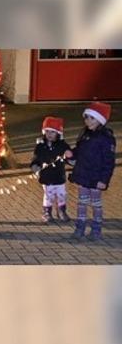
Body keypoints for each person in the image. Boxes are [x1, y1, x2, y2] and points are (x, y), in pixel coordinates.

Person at [67, 102, 116, 241]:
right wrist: (71, 155)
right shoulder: (85, 134)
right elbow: (79, 151)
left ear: (100, 120)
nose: (87, 120)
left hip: (96, 177)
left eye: (91, 118)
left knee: (96, 204)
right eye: (86, 117)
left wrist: (104, 180)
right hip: (83, 175)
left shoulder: (106, 138)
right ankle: (80, 228)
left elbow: (109, 162)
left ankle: (96, 230)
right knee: (82, 203)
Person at [30, 117, 71, 223]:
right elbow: (36, 158)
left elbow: (68, 154)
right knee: (48, 195)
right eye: (47, 131)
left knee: (61, 194)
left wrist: (69, 155)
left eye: (52, 132)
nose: (49, 134)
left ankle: (62, 211)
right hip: (46, 176)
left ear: (58, 133)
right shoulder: (40, 146)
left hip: (59, 175)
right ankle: (47, 212)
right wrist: (36, 167)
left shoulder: (62, 145)